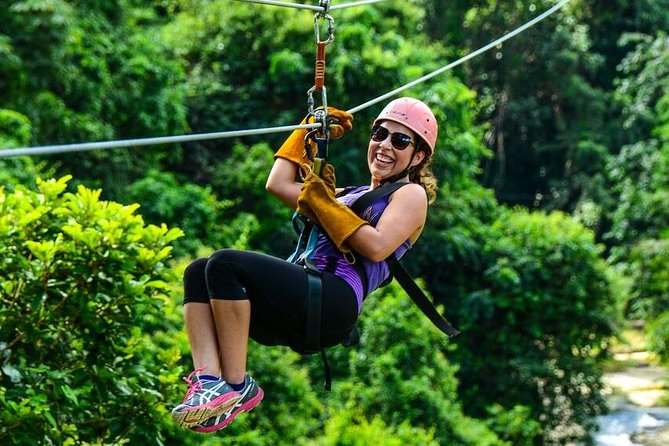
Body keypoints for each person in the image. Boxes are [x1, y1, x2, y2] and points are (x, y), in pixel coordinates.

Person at [170, 97, 439, 433]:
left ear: (417, 156)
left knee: (225, 264)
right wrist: (307, 131)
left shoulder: (411, 195)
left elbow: (378, 245)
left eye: (399, 141)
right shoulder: (344, 195)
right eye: (379, 134)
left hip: (333, 299)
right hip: (303, 297)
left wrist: (324, 205)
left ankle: (236, 386)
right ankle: (210, 384)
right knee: (198, 271)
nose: (384, 145)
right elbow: (278, 184)